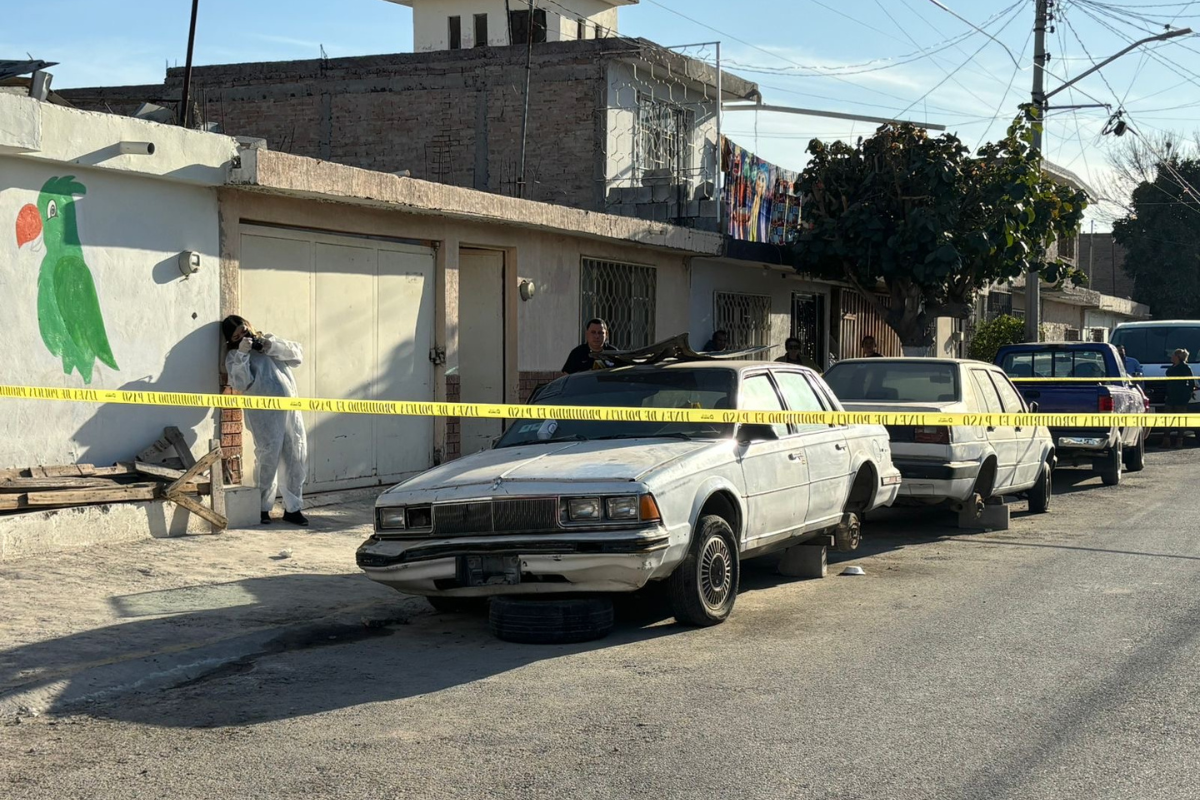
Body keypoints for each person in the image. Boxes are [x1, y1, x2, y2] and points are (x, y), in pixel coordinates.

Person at [222, 315, 309, 526]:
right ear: (231, 340)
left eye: (244, 330)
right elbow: (241, 382)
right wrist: (243, 353)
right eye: (237, 336)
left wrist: (269, 346)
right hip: (265, 415)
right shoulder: (235, 356)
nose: (244, 336)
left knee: (295, 455)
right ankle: (262, 508)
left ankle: (293, 508)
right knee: (268, 456)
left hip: (290, 411)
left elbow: (296, 356)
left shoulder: (268, 341)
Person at [1162, 347, 1195, 449]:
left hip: (1181, 397)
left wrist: (1187, 394)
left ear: (1178, 357)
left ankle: (1179, 440)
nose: (1171, 357)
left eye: (1173, 355)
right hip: (1170, 397)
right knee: (1167, 419)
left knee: (1181, 419)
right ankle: (1166, 440)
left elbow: (1191, 383)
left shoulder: (1185, 368)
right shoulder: (1172, 367)